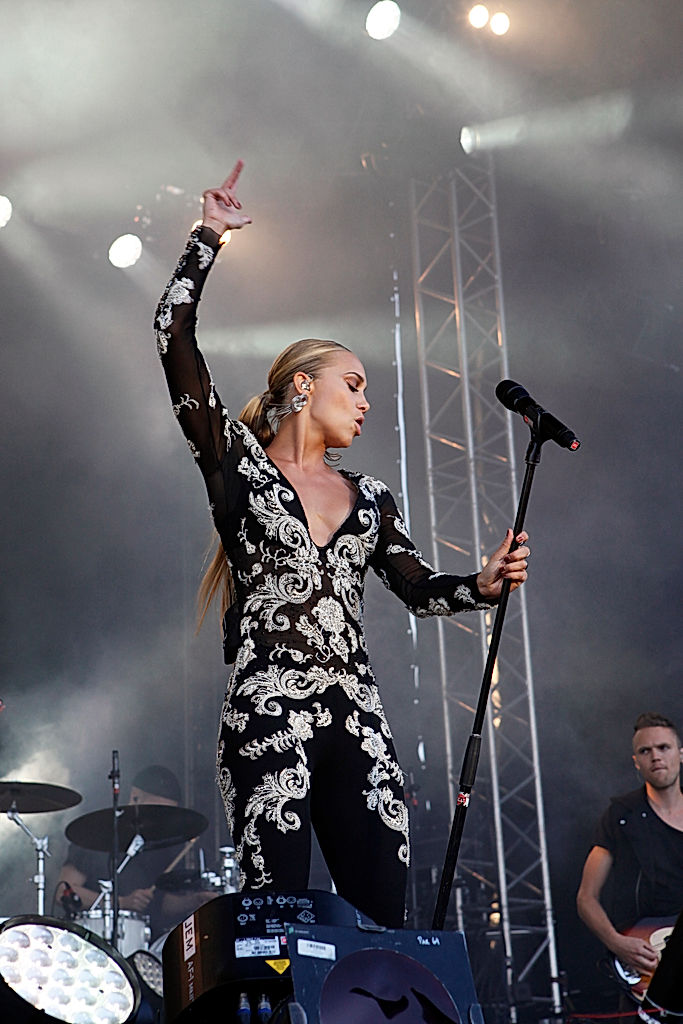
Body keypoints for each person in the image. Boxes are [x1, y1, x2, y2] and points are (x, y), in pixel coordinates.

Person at [154, 161, 530, 928]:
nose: (363, 400)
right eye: (351, 383)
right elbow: (173, 336)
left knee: (385, 922)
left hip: (356, 715)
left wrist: (481, 584)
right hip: (268, 712)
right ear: (302, 387)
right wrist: (207, 238)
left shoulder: (373, 499)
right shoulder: (238, 467)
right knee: (277, 925)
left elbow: (421, 590)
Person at [576, 711, 683, 981]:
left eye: (663, 748)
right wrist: (616, 942)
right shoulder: (621, 816)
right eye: (645, 751)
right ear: (636, 762)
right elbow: (586, 898)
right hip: (646, 960)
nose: (656, 756)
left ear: (680, 754)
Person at [58, 765, 212, 940]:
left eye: (169, 813)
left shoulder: (165, 846)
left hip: (143, 947)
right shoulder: (97, 834)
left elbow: (160, 904)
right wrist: (121, 903)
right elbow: (63, 891)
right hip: (92, 941)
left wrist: (195, 900)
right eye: (157, 811)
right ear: (134, 798)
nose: (163, 819)